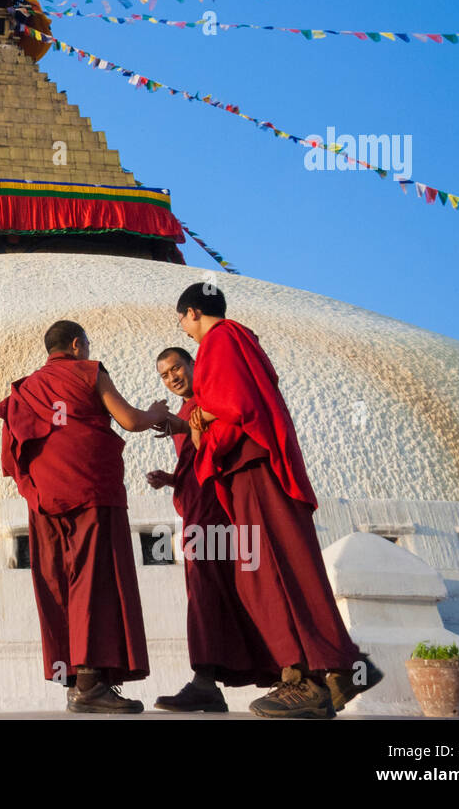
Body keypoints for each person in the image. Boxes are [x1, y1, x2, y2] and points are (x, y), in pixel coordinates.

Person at [176, 283, 382, 718]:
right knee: (281, 565)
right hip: (257, 470)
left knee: (272, 570)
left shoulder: (220, 340)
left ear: (193, 312)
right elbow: (238, 400)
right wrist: (204, 418)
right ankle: (338, 668)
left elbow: (235, 405)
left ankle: (309, 678)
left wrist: (202, 425)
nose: (184, 330)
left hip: (252, 468)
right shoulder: (241, 339)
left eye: (182, 320)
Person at [0, 320, 169, 713]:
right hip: (89, 492)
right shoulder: (88, 371)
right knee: (94, 581)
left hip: (44, 499)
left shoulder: (26, 387)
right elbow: (131, 421)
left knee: (61, 582)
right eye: (86, 344)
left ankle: (80, 682)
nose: (88, 349)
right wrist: (154, 412)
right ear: (76, 344)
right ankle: (89, 682)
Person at [145, 347, 276, 712]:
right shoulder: (185, 413)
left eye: (176, 368)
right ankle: (213, 680)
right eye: (165, 375)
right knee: (209, 587)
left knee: (216, 586)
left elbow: (224, 443)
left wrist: (177, 423)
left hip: (218, 507)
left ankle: (211, 679)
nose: (172, 378)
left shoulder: (210, 398)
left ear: (192, 365)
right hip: (196, 506)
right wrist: (171, 479)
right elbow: (197, 460)